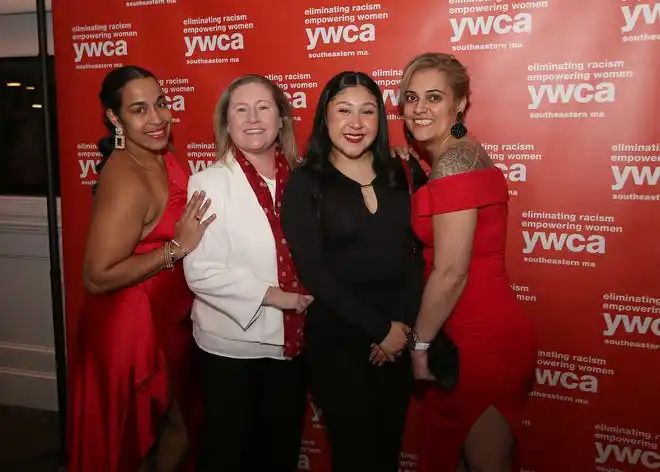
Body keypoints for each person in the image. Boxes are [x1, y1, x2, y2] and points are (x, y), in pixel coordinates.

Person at [67, 65, 214, 472]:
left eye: (161, 104)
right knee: (137, 440)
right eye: (139, 109)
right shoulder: (126, 176)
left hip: (168, 317)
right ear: (115, 118)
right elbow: (96, 276)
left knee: (177, 429)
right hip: (132, 328)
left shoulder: (159, 154)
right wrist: (175, 249)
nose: (157, 118)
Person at [280, 71, 425, 472]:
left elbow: (417, 254)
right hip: (338, 343)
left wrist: (402, 325)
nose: (356, 123)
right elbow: (313, 271)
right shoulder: (305, 182)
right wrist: (380, 330)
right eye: (343, 110)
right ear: (324, 118)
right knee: (356, 455)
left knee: (386, 453)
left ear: (380, 119)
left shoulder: (403, 173)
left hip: (397, 339)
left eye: (367, 111)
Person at [400, 52, 537, 472]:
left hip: (480, 341)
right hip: (459, 335)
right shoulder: (457, 154)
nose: (420, 108)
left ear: (459, 104)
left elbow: (451, 271)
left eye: (434, 97)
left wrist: (419, 346)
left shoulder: (455, 163)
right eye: (411, 97)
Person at [182, 74, 313, 472]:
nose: (253, 118)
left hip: (295, 345)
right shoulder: (206, 182)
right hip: (231, 347)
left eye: (264, 107)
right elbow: (200, 271)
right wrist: (276, 296)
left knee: (280, 452)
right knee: (230, 453)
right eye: (241, 109)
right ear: (226, 122)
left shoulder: (305, 179)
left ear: (282, 118)